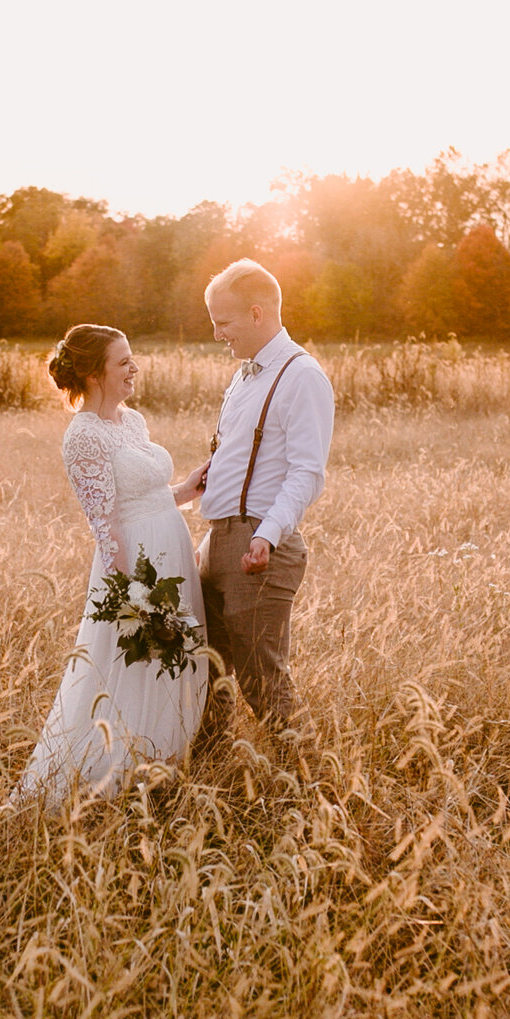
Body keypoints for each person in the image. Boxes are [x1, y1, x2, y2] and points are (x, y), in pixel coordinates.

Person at [12, 324, 208, 804]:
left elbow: (147, 495)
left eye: (131, 358)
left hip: (172, 550)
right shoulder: (83, 437)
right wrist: (139, 601)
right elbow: (106, 527)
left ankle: (165, 766)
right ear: (95, 373)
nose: (133, 368)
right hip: (135, 570)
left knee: (179, 669)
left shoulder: (132, 421)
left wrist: (187, 487)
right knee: (136, 672)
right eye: (123, 362)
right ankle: (119, 779)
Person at [174, 260, 335, 751]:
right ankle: (214, 776)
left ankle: (311, 785)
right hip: (218, 541)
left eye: (224, 322)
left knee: (262, 681)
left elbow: (307, 471)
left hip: (259, 547)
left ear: (258, 313)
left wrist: (267, 534)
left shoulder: (301, 375)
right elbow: (243, 454)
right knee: (209, 673)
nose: (217, 333)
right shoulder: (244, 378)